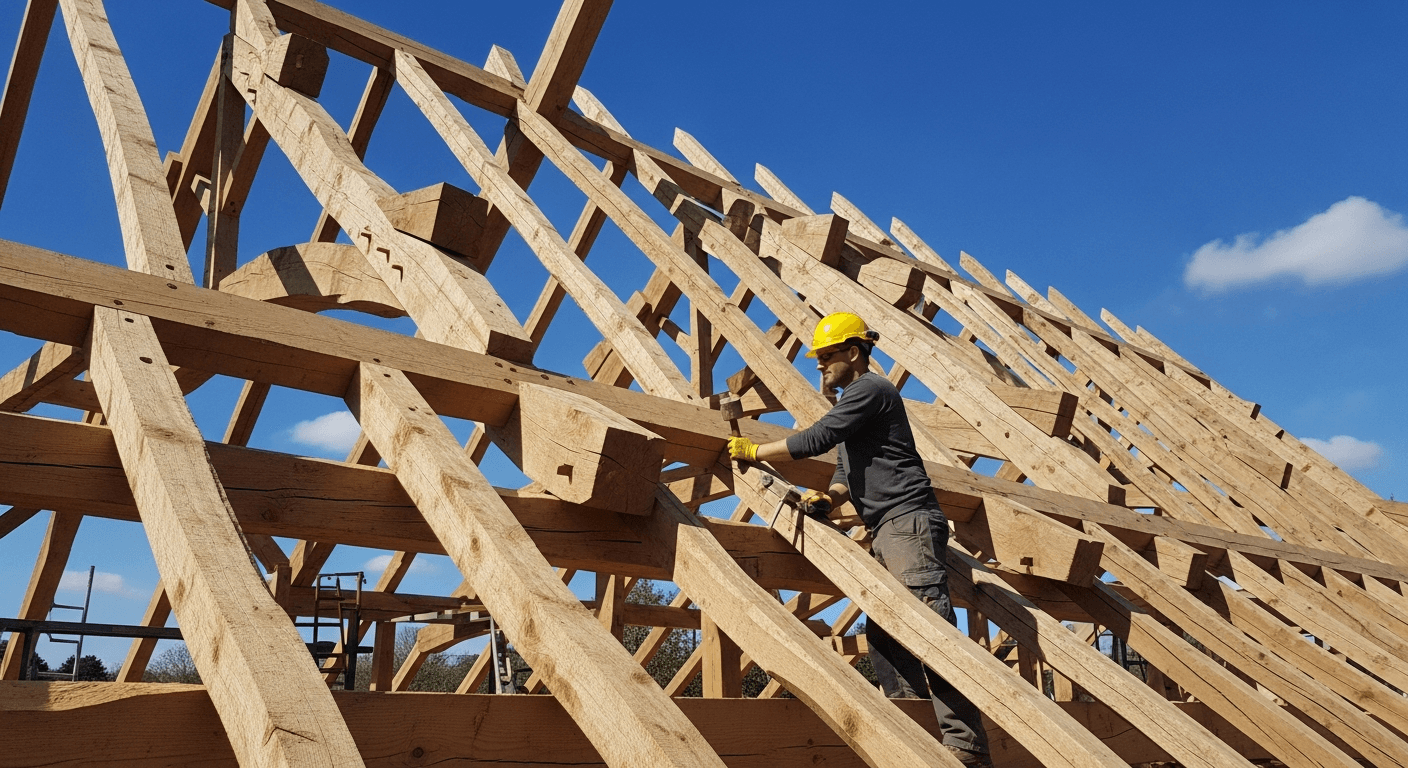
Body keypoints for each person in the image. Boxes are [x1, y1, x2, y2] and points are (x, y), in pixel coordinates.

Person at [726, 311, 991, 767]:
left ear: (854, 352)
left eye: (827, 356)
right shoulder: (858, 401)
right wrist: (830, 500)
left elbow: (819, 437)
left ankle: (966, 748)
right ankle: (914, 733)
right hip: (885, 528)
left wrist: (755, 450)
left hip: (908, 522)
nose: (820, 365)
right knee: (886, 636)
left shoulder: (871, 389)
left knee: (930, 631)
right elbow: (846, 470)